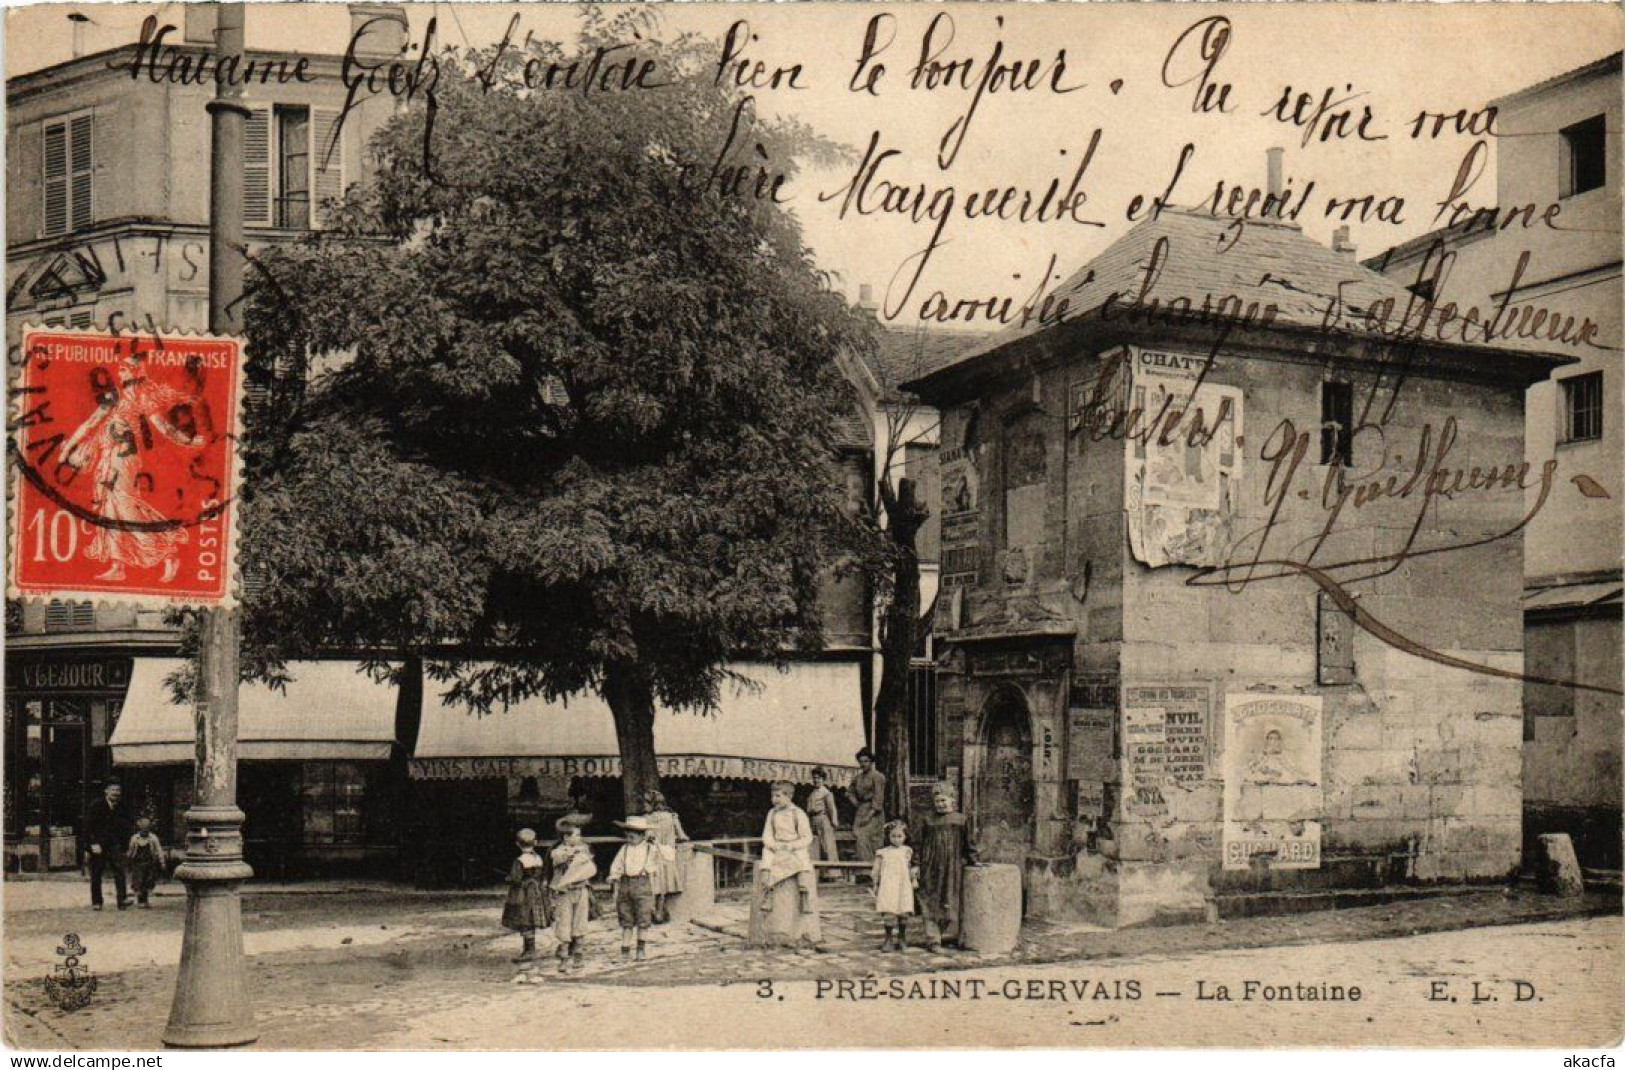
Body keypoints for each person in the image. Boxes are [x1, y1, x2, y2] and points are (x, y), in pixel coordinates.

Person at [914, 781, 979, 951]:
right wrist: (916, 864)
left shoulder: (961, 820)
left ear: (952, 800)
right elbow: (919, 843)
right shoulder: (928, 820)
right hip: (931, 866)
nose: (940, 804)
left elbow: (969, 842)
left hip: (952, 867)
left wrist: (973, 859)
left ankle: (941, 933)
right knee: (930, 901)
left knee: (949, 902)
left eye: (943, 800)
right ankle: (933, 940)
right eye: (937, 801)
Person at [608, 815, 662, 961]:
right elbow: (617, 865)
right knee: (626, 918)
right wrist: (614, 876)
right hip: (625, 884)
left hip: (642, 884)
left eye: (633, 835)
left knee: (643, 918)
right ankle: (625, 951)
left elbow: (667, 855)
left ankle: (640, 949)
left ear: (642, 835)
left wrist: (656, 843)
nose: (629, 838)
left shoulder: (650, 849)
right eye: (627, 835)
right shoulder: (624, 849)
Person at [758, 781, 815, 915]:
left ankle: (804, 894)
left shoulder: (798, 813)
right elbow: (767, 834)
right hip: (777, 845)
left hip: (793, 846)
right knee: (767, 856)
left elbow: (807, 837)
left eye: (778, 796)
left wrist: (792, 845)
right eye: (772, 796)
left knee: (802, 859)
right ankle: (768, 893)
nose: (774, 800)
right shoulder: (772, 813)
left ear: (789, 796)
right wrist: (773, 845)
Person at [549, 815, 596, 972]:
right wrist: (571, 854)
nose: (579, 838)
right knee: (564, 922)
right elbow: (558, 858)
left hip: (581, 890)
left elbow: (588, 864)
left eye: (579, 835)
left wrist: (581, 853)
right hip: (565, 892)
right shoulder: (558, 852)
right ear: (566, 837)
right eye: (576, 835)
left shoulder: (584, 850)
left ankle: (578, 953)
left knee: (580, 922)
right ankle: (564, 956)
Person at [501, 828, 551, 963]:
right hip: (536, 892)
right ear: (535, 842)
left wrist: (508, 878)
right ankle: (530, 949)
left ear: (517, 844)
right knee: (531, 919)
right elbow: (542, 875)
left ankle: (529, 951)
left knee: (525, 919)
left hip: (523, 894)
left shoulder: (520, 860)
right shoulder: (538, 858)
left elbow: (516, 878)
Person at [84, 782, 133, 911]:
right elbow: (88, 826)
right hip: (98, 845)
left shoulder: (122, 807)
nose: (116, 793)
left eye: (118, 790)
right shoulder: (96, 806)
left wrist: (125, 845)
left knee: (120, 871)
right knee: (96, 873)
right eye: (113, 790)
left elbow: (126, 826)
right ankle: (97, 901)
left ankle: (122, 900)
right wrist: (92, 844)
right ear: (106, 791)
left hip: (115, 845)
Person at [642, 791, 689, 924]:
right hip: (667, 855)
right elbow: (683, 837)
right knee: (663, 885)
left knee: (652, 884)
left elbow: (646, 838)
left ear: (653, 803)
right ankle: (660, 911)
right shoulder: (672, 817)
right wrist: (672, 838)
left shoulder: (646, 819)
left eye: (646, 802)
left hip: (652, 854)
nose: (644, 805)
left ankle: (653, 911)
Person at [871, 819, 917, 952]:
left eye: (899, 836)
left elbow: (911, 868)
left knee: (903, 910)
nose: (896, 839)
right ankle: (888, 938)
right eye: (893, 836)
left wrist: (914, 879)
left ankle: (902, 937)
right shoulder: (882, 853)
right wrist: (875, 884)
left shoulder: (907, 851)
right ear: (888, 837)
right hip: (888, 885)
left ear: (905, 837)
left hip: (903, 885)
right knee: (889, 910)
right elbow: (876, 870)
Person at [845, 748, 887, 866]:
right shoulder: (857, 778)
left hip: (874, 813)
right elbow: (849, 792)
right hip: (861, 810)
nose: (863, 764)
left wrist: (869, 815)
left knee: (870, 840)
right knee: (859, 839)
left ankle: (873, 869)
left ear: (871, 762)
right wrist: (856, 803)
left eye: (866, 761)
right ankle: (863, 869)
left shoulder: (878, 777)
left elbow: (878, 797)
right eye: (861, 761)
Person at [804, 767, 841, 879]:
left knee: (827, 845)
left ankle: (833, 873)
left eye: (818, 778)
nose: (816, 780)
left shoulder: (826, 793)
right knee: (815, 845)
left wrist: (834, 822)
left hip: (823, 819)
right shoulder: (812, 793)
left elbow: (832, 808)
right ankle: (820, 873)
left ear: (823, 779)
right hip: (813, 820)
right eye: (814, 778)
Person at [125, 816, 165, 909]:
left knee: (148, 881)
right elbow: (130, 851)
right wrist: (128, 860)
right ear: (140, 828)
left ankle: (145, 900)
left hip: (149, 862)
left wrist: (162, 862)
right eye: (143, 829)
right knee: (138, 881)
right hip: (138, 863)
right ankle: (140, 901)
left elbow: (159, 850)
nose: (145, 831)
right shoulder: (135, 838)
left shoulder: (153, 838)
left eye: (146, 829)